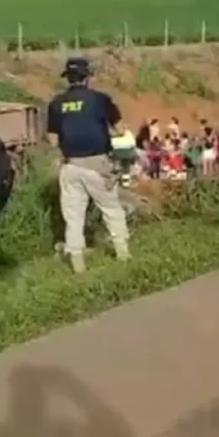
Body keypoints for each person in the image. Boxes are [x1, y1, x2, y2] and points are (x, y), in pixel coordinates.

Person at [47, 57, 131, 274]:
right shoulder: (100, 100)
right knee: (111, 209)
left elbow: (53, 140)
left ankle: (77, 261)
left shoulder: (56, 103)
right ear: (87, 78)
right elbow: (121, 130)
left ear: (68, 78)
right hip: (98, 164)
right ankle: (122, 253)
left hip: (70, 166)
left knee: (73, 216)